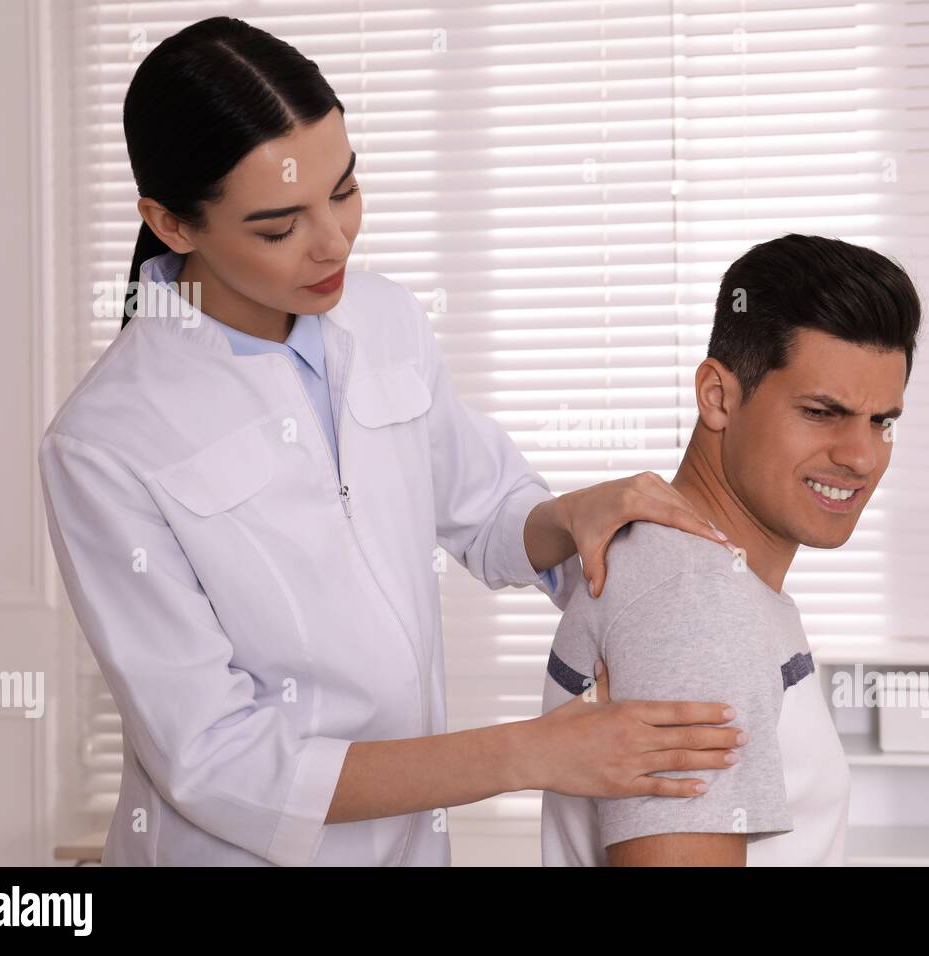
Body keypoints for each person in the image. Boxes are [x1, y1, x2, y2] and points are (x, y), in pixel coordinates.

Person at [39, 16, 747, 867]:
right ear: (173, 223)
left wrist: (571, 517)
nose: (335, 242)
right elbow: (218, 762)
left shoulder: (380, 319)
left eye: (344, 190)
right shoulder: (104, 443)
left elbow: (485, 514)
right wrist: (529, 753)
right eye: (278, 226)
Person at [540, 234, 922, 865]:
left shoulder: (695, 577)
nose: (861, 456)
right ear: (718, 396)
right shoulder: (697, 608)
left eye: (882, 421)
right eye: (822, 412)